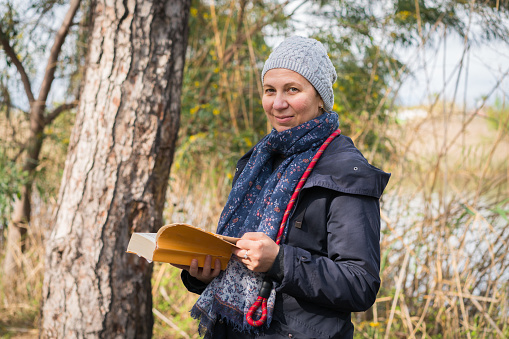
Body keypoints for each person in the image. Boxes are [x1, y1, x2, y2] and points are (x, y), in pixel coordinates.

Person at [177, 36, 391, 338]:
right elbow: (239, 258)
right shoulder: (258, 160)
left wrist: (279, 261)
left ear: (320, 98)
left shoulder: (346, 171)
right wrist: (202, 273)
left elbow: (360, 284)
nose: (278, 103)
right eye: (269, 90)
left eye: (292, 89)